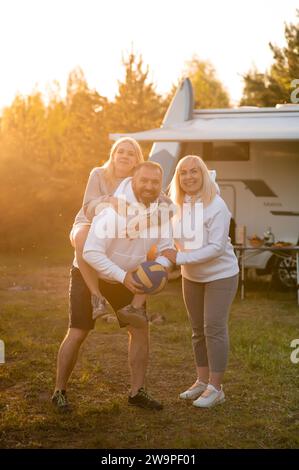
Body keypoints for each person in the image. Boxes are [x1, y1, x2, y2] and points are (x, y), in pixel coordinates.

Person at [52, 161, 174, 412]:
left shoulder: (162, 212)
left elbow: (167, 247)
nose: (149, 186)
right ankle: (59, 391)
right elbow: (91, 252)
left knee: (140, 330)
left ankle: (137, 392)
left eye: (155, 182)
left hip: (129, 275)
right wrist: (123, 277)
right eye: (144, 181)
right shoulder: (114, 210)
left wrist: (159, 269)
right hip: (93, 273)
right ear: (133, 181)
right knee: (78, 332)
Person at [162, 155, 239, 408]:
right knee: (197, 331)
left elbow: (216, 247)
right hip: (191, 276)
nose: (189, 176)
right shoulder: (176, 205)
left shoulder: (216, 205)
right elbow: (169, 238)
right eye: (183, 172)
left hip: (221, 274)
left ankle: (216, 389)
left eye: (195, 171)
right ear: (178, 178)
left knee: (213, 328)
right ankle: (202, 381)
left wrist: (180, 257)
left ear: (203, 175)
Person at [70, 137, 144, 319]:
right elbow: (88, 208)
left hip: (116, 228)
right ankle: (96, 297)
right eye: (120, 151)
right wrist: (109, 200)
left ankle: (136, 305)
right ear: (113, 155)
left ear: (137, 160)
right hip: (89, 221)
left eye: (131, 153)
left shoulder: (138, 181)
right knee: (81, 238)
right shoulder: (98, 174)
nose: (124, 156)